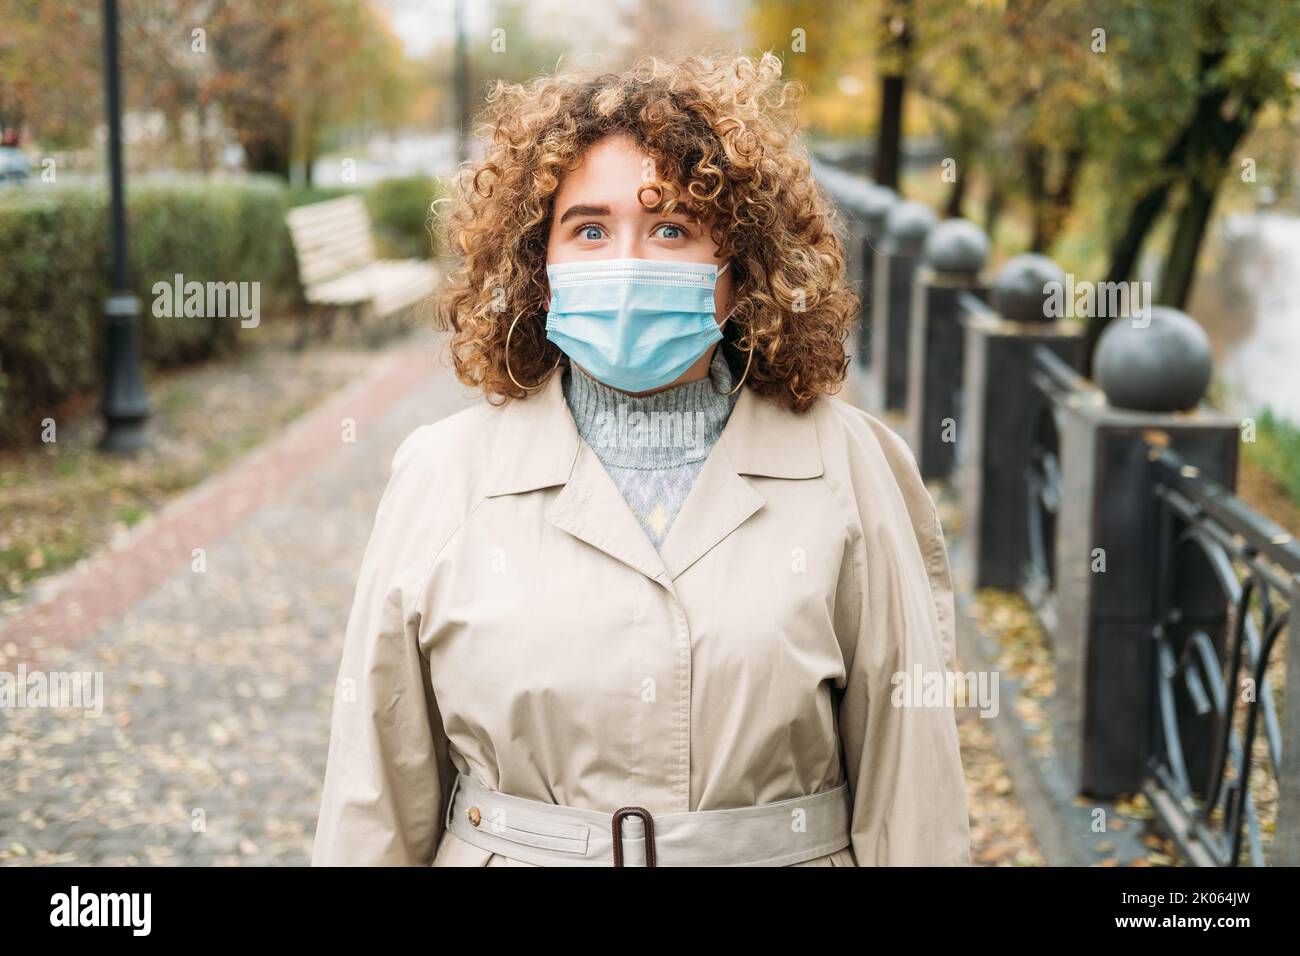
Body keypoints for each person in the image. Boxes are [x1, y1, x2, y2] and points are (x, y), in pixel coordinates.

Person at [310, 51, 971, 867]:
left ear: (740, 267)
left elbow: (913, 785)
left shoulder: (852, 466)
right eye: (589, 229)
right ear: (538, 266)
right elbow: (376, 788)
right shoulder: (442, 475)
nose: (628, 263)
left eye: (672, 228)